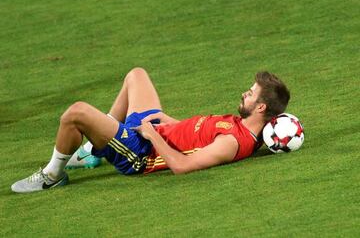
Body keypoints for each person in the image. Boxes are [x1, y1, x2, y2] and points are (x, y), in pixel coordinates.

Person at [11, 67, 290, 193]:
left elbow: (183, 164)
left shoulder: (232, 143)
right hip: (155, 130)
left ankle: (52, 175)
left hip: (141, 152)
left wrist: (152, 134)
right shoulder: (241, 124)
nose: (245, 93)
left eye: (251, 93)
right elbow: (194, 135)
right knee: (136, 75)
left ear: (262, 108)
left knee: (76, 113)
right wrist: (163, 120)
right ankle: (91, 152)